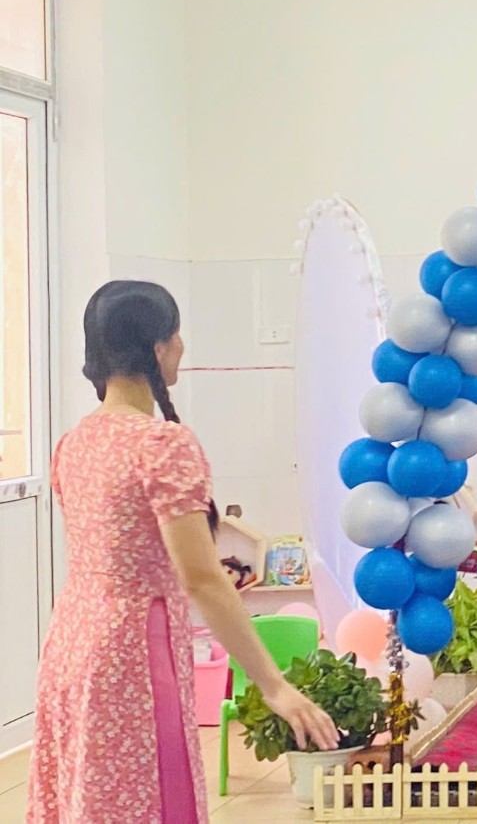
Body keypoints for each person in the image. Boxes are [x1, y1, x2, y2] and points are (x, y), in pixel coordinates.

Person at [27, 281, 337, 824]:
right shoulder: (161, 445)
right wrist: (274, 686)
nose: (181, 346)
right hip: (132, 650)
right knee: (147, 795)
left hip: (71, 642)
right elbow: (203, 579)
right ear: (157, 347)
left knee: (89, 795)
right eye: (175, 335)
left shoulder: (74, 442)